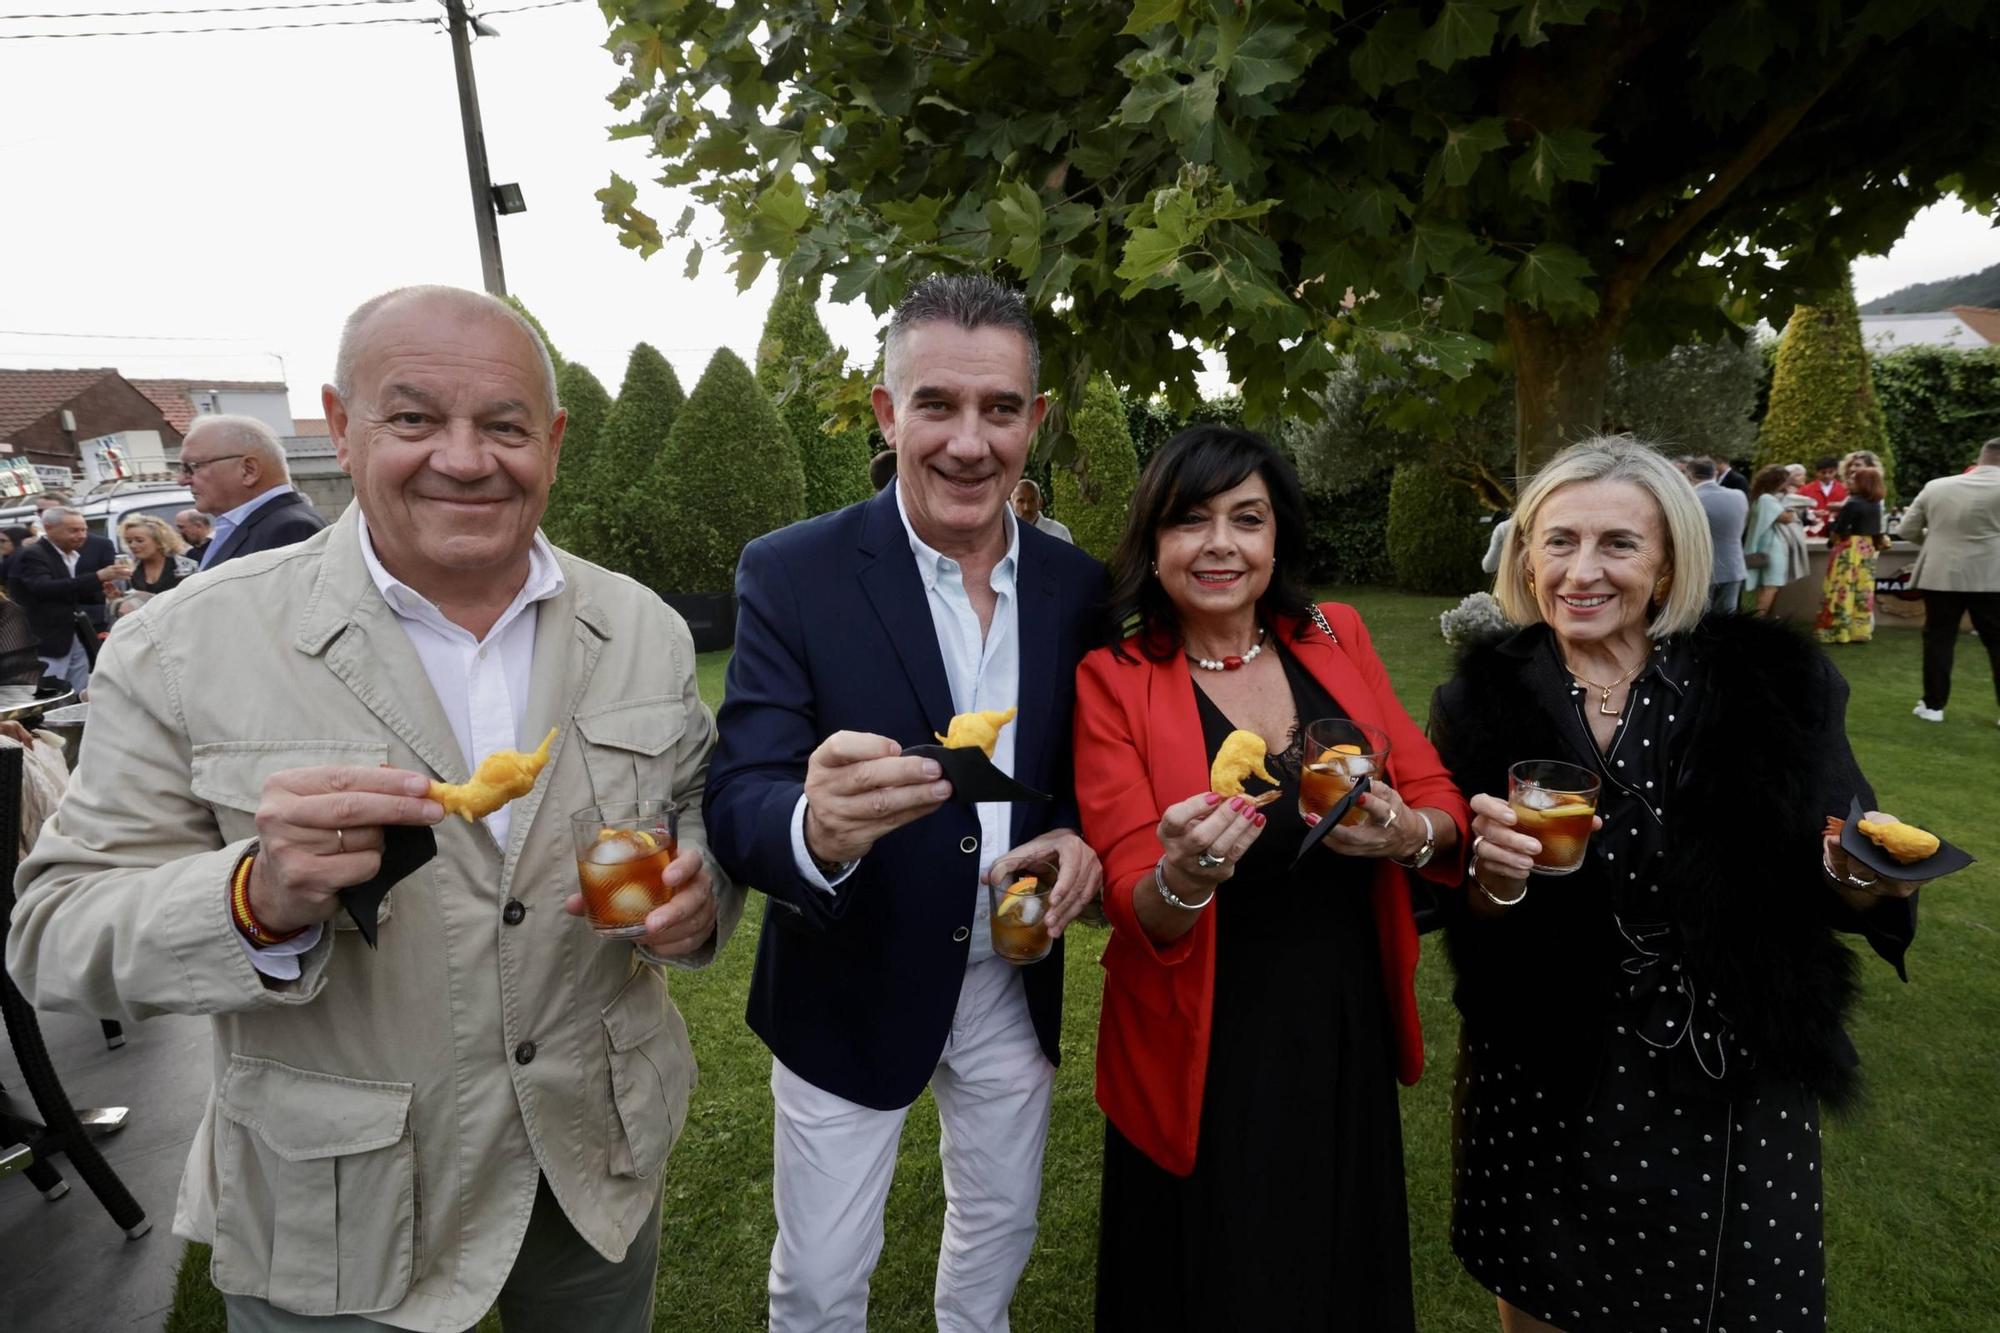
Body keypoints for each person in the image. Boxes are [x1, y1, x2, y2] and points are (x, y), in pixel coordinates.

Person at [8, 284, 742, 1331]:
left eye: (503, 425)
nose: (464, 456)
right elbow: (53, 932)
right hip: (339, 1205)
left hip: (591, 1160)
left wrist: (698, 891)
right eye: (413, 419)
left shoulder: (640, 627)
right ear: (341, 428)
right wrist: (253, 899)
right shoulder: (184, 648)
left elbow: (693, 808)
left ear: (554, 439)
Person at [1433, 436, 1919, 1333]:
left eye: (1619, 543)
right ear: (1526, 554)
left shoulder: (1768, 681)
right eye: (1558, 541)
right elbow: (1460, 906)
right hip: (1543, 1064)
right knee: (1544, 1297)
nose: (1582, 570)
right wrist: (1490, 880)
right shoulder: (1480, 700)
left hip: (1726, 1073)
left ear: (1667, 564)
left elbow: (1855, 857)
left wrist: (1862, 878)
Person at [704, 274, 1106, 1333]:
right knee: (823, 1277)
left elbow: (1091, 770)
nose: (968, 442)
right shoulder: (792, 571)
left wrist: (1078, 833)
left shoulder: (1078, 588)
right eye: (936, 404)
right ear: (887, 413)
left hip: (1010, 979)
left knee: (998, 1235)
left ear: (1036, 422)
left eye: (999, 409)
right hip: (848, 979)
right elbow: (740, 786)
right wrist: (814, 827)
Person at [1074, 426, 1468, 1329]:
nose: (1221, 544)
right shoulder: (1115, 679)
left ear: (1277, 535)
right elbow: (1139, 902)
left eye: (1246, 519)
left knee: (1337, 1266)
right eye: (1191, 520)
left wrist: (1408, 831)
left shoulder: (1335, 633)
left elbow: (1436, 794)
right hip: (1204, 1035)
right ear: (1153, 541)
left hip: (1340, 1015)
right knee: (1220, 1276)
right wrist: (1184, 873)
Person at [1901, 439, 2000, 724]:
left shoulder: (1937, 486)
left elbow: (1907, 529)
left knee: (1939, 639)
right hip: (1992, 577)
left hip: (1941, 573)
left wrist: (1937, 544)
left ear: (1982, 457)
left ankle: (1933, 706)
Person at [178, 414, 327, 569]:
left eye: (193, 466)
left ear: (249, 470)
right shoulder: (258, 524)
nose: (181, 480)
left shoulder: (289, 529)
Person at [7, 505, 128, 691]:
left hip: (70, 634)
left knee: (79, 687)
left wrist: (102, 588)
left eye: (84, 530)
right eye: (73, 530)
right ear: (48, 528)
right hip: (46, 638)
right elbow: (43, 588)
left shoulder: (67, 554)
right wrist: (97, 576)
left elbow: (69, 591)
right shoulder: (33, 554)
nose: (81, 535)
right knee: (53, 691)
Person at [1817, 464, 1887, 644]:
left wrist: (1831, 537)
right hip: (1867, 549)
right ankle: (1859, 631)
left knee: (1842, 587)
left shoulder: (1853, 503)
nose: (1850, 482)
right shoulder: (1875, 504)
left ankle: (1838, 631)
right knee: (1862, 589)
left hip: (1849, 549)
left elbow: (1840, 529)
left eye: (1854, 479)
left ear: (1863, 483)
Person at [1687, 455, 1747, 613]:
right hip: (1733, 565)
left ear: (1690, 475)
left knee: (1698, 620)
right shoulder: (1739, 496)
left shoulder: (1691, 500)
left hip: (1701, 568)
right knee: (1727, 620)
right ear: (1715, 473)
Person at [1741, 463, 1798, 616]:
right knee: (1771, 586)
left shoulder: (1759, 497)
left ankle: (1760, 616)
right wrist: (1791, 504)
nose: (1788, 484)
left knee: (1765, 585)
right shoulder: (1767, 499)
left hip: (1764, 546)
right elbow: (1786, 518)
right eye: (1786, 481)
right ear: (1777, 482)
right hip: (1772, 548)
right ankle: (1760, 618)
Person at [119, 514, 198, 595]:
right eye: (129, 541)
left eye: (139, 540)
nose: (132, 545)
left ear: (159, 541)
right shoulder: (129, 570)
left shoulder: (185, 566)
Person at [1010, 478, 1074, 544]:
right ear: (1011, 504)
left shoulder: (1059, 532)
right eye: (1020, 501)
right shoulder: (1006, 533)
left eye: (1032, 501)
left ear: (1040, 503)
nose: (1026, 507)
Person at [1799, 455, 1847, 535]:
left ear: (1836, 471)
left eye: (1830, 472)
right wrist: (1813, 513)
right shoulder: (1805, 490)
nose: (1827, 475)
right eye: (1823, 472)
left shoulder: (1844, 489)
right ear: (1817, 472)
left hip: (1837, 533)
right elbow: (1799, 511)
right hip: (1812, 534)